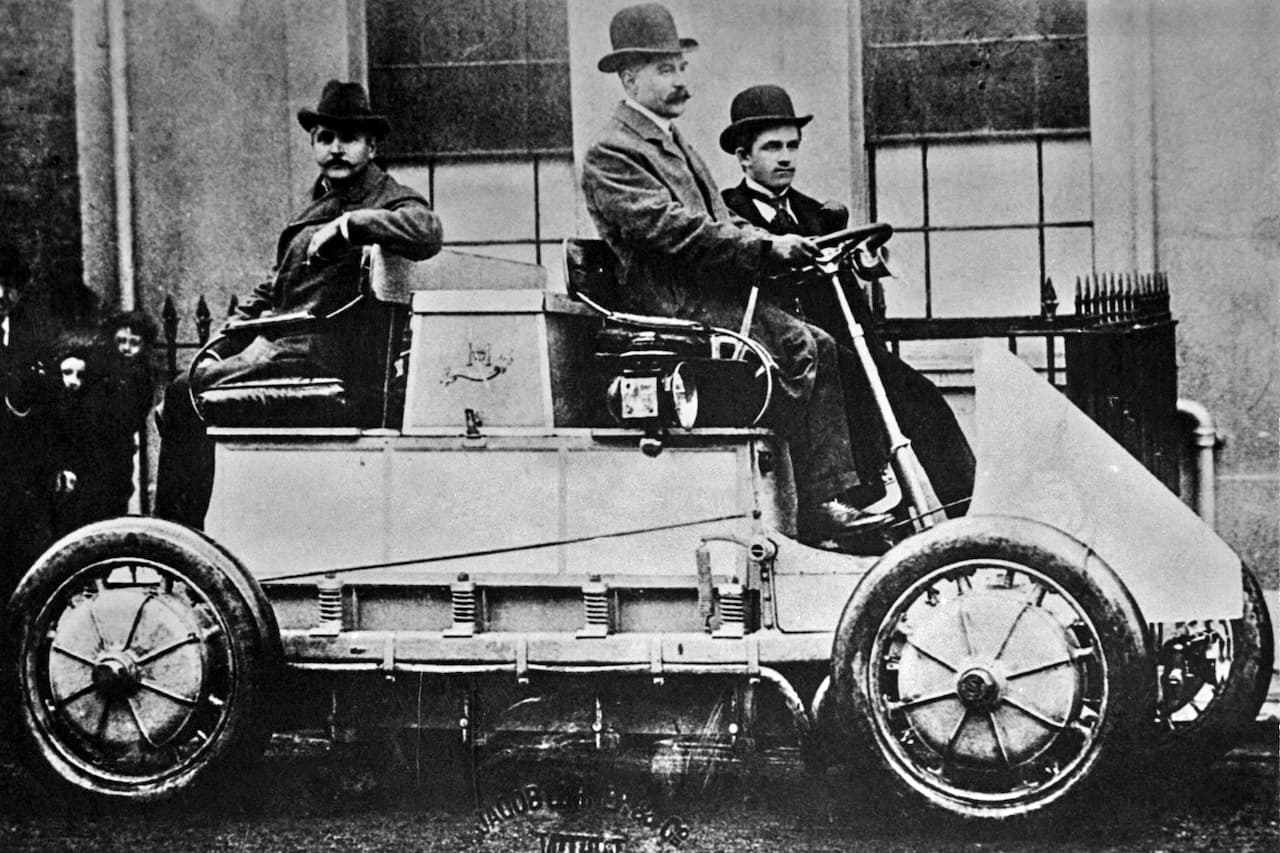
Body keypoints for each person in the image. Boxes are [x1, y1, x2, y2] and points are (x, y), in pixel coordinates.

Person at [579, 3, 888, 547]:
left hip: (709, 299)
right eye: (665, 70)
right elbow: (675, 230)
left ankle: (818, 499)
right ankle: (810, 507)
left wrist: (784, 243)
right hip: (672, 308)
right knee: (801, 347)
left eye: (681, 68)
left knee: (820, 343)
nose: (680, 81)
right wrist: (766, 247)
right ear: (630, 77)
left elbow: (721, 219)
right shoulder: (613, 152)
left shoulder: (672, 141)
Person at [154, 80, 444, 529]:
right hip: (284, 352)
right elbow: (274, 289)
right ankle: (187, 538)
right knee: (186, 390)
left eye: (348, 139)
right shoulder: (314, 208)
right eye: (325, 138)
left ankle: (176, 542)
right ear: (313, 144)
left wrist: (353, 226)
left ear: (371, 145)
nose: (335, 149)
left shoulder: (388, 198)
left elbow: (427, 231)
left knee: (182, 396)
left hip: (334, 361)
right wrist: (224, 340)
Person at [718, 84, 975, 513]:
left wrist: (869, 261)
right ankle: (857, 503)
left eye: (792, 146)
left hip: (839, 341)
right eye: (772, 147)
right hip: (778, 350)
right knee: (851, 381)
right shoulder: (729, 218)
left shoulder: (819, 214)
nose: (786, 158)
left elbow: (853, 287)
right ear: (744, 157)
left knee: (918, 395)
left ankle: (966, 513)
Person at [0, 240, 59, 592]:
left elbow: (52, 410)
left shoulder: (34, 342)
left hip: (21, 474)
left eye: (10, 286)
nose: (1, 294)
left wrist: (56, 464)